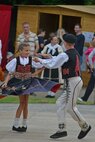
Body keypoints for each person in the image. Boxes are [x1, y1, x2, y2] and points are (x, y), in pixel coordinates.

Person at [34, 33, 91, 139]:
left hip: (73, 81)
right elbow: (58, 59)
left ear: (65, 43)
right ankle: (62, 129)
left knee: (71, 108)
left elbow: (54, 64)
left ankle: (85, 126)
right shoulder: (73, 52)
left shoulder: (66, 54)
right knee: (60, 103)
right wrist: (48, 58)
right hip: (72, 82)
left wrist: (40, 60)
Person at [1, 43, 60, 132]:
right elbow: (9, 73)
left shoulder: (31, 59)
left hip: (28, 82)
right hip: (18, 83)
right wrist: (5, 82)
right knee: (22, 103)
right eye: (26, 50)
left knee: (25, 103)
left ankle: (24, 125)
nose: (28, 52)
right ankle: (15, 124)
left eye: (29, 50)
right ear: (20, 51)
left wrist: (34, 74)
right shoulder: (15, 60)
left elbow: (43, 66)